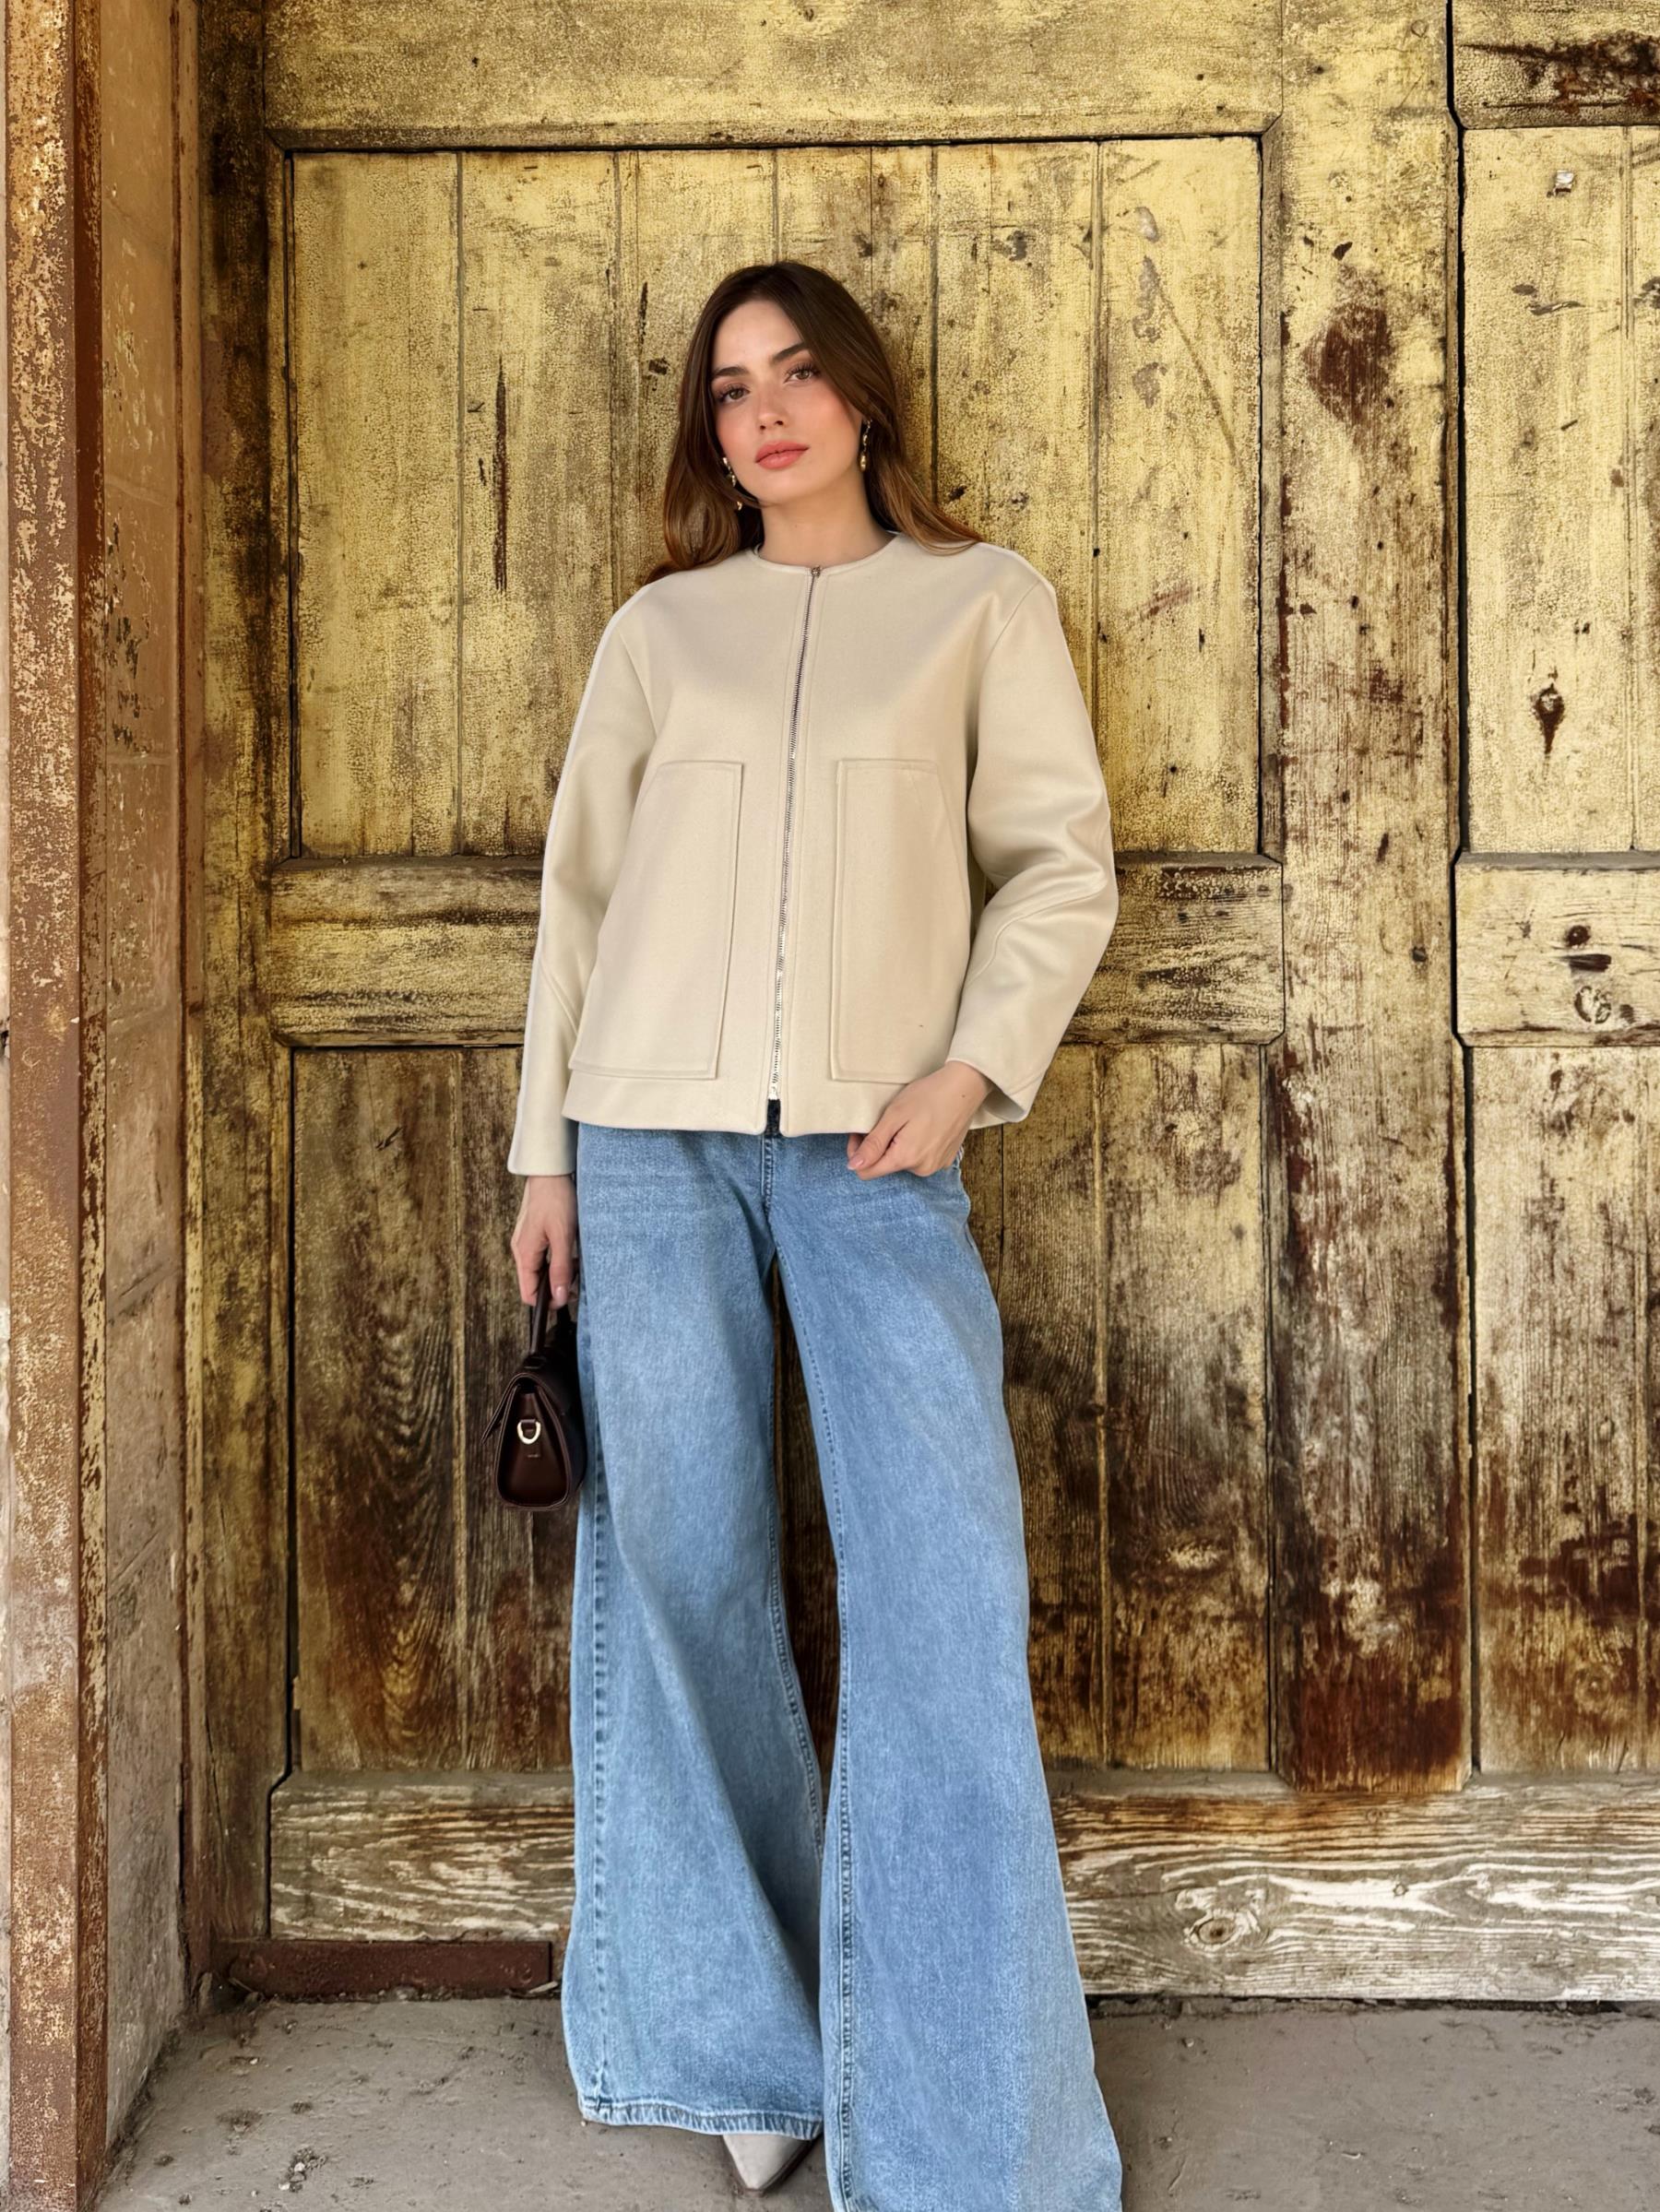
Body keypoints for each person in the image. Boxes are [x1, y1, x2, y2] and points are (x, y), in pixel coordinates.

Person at [507, 257, 1124, 2211]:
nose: (761, 413)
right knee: (678, 1571)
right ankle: (738, 2048)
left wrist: (970, 1070)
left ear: (861, 398)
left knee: (940, 1605)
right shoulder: (662, 632)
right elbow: (581, 903)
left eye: (793, 375)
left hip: (877, 1149)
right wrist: (546, 1157)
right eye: (728, 389)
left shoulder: (979, 604)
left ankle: (973, 2140)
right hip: (646, 1144)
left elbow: (1060, 867)